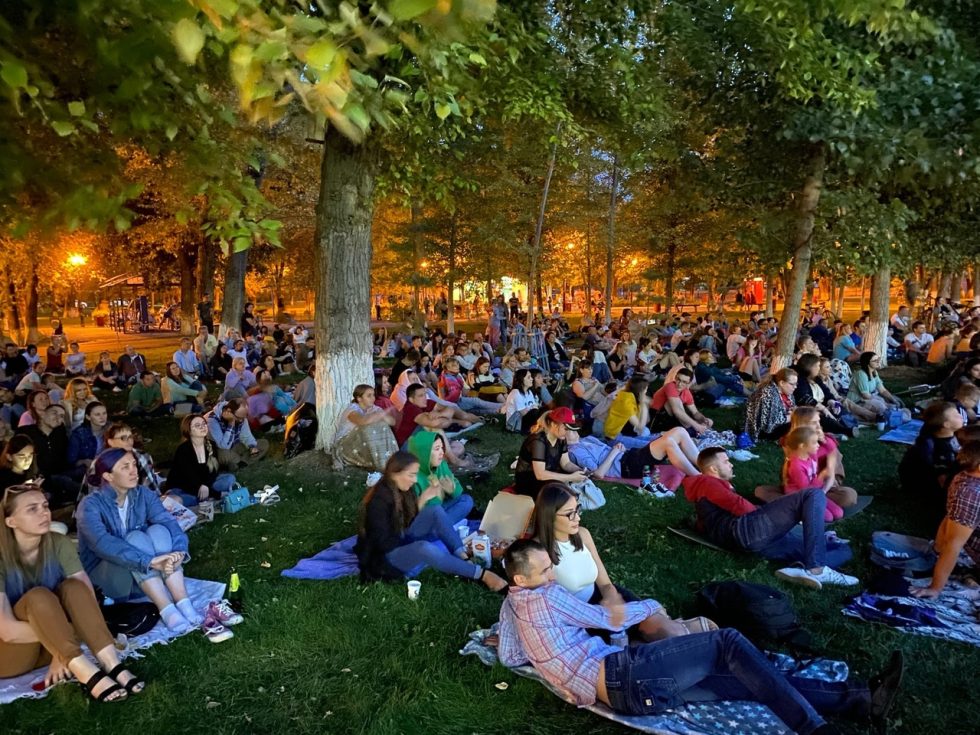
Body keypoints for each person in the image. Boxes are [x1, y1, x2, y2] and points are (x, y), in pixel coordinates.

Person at [498, 538, 901, 732]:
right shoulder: (545, 596)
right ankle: (816, 729)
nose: (552, 576)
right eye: (545, 571)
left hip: (629, 695)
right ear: (521, 579)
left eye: (551, 568)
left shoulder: (513, 605)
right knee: (727, 641)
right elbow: (609, 619)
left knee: (741, 680)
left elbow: (510, 656)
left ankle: (861, 699)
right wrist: (649, 605)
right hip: (625, 676)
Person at [0, 484, 145, 701]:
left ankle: (112, 664)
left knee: (74, 587)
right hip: (11, 653)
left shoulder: (58, 543)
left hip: (49, 643)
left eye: (45, 506)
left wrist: (60, 647)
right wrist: (64, 641)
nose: (44, 513)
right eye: (32, 509)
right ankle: (87, 674)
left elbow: (87, 599)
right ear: (11, 521)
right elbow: (7, 631)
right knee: (38, 596)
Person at [75, 450, 209, 636]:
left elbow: (168, 522)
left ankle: (183, 602)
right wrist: (148, 561)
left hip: (144, 579)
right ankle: (166, 609)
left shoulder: (143, 494)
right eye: (125, 467)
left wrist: (179, 551)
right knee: (134, 538)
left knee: (159, 530)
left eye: (134, 465)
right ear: (108, 476)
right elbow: (102, 544)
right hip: (112, 582)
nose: (134, 471)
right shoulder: (90, 505)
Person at [683, 447, 857, 589]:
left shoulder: (710, 489)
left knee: (842, 550)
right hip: (745, 531)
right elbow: (740, 506)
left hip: (757, 541)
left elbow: (707, 521)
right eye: (726, 461)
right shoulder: (707, 482)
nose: (731, 464)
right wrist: (770, 512)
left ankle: (799, 568)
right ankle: (816, 569)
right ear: (713, 469)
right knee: (813, 494)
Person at [532, 483, 681, 640]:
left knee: (670, 632)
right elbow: (545, 606)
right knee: (638, 644)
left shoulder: (582, 534)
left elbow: (605, 583)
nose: (578, 518)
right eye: (570, 514)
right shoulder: (538, 553)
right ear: (549, 516)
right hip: (581, 618)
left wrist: (612, 598)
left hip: (603, 598)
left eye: (577, 509)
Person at [353, 451, 506, 590]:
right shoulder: (379, 501)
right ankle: (482, 575)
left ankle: (464, 558)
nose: (414, 480)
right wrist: (410, 541)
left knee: (435, 510)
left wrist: (423, 499)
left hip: (399, 539)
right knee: (424, 548)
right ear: (395, 473)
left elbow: (408, 521)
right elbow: (383, 542)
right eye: (411, 475)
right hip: (384, 559)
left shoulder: (402, 489)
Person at [911, 442, 980, 599]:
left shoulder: (962, 477)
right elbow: (953, 543)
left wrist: (938, 548)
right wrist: (935, 588)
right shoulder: (970, 494)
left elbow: (950, 516)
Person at [899, 401, 964, 527]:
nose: (961, 416)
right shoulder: (938, 448)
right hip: (925, 485)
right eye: (956, 415)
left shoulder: (947, 436)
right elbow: (942, 480)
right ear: (946, 425)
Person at [567, 426, 701, 479]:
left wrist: (620, 449)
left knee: (679, 431)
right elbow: (598, 474)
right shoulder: (575, 451)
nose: (575, 431)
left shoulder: (586, 439)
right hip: (626, 467)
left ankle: (704, 465)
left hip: (629, 456)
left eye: (574, 428)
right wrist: (614, 452)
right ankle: (699, 477)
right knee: (668, 442)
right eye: (570, 430)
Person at [513, 408, 588, 498]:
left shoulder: (561, 439)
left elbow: (566, 463)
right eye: (566, 429)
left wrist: (579, 470)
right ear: (553, 424)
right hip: (529, 480)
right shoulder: (538, 441)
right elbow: (540, 474)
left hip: (547, 475)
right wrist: (571, 477)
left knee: (567, 491)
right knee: (562, 494)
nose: (567, 432)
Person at [406, 430, 474, 524]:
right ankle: (441, 528)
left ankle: (442, 527)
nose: (442, 452)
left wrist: (452, 490)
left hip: (441, 511)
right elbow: (412, 514)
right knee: (436, 510)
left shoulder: (441, 464)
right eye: (437, 449)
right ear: (424, 453)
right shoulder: (412, 477)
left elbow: (457, 493)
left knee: (466, 500)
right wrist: (428, 496)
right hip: (424, 519)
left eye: (442, 448)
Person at [781, 426, 844, 522]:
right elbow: (805, 489)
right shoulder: (796, 466)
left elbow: (829, 448)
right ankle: (797, 511)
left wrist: (825, 439)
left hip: (815, 493)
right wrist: (821, 476)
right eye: (814, 443)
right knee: (828, 517)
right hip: (801, 497)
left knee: (838, 513)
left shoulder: (811, 454)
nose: (818, 445)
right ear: (802, 446)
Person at [333, 384, 398, 471]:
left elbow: (392, 422)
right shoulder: (352, 409)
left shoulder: (375, 408)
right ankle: (382, 465)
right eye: (369, 396)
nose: (373, 398)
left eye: (373, 395)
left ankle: (390, 462)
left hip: (361, 445)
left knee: (383, 425)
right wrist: (380, 415)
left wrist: (383, 416)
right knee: (367, 428)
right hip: (345, 446)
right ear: (359, 398)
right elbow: (362, 421)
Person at [165, 415, 222, 504]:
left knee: (229, 479)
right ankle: (201, 498)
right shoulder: (183, 449)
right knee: (179, 499)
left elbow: (214, 472)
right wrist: (217, 494)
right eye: (197, 425)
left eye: (204, 424)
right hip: (183, 487)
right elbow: (188, 478)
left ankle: (203, 497)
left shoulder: (211, 445)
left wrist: (206, 486)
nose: (202, 427)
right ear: (189, 430)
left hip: (204, 484)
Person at [206, 399, 270, 470]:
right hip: (222, 450)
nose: (241, 420)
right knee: (225, 454)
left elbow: (246, 435)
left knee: (264, 443)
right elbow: (224, 446)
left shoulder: (241, 416)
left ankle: (240, 463)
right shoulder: (212, 420)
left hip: (237, 446)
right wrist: (231, 423)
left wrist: (252, 447)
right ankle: (242, 461)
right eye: (239, 418)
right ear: (229, 411)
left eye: (244, 417)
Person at [649, 368, 713, 436]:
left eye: (684, 382)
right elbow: (677, 411)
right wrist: (696, 426)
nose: (679, 384)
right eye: (678, 379)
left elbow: (695, 412)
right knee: (676, 402)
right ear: (675, 377)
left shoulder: (686, 392)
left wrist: (703, 419)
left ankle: (692, 430)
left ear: (689, 383)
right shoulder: (670, 386)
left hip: (671, 420)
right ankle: (690, 430)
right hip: (656, 419)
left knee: (710, 421)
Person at [744, 368, 797, 442]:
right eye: (792, 384)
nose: (795, 387)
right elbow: (769, 423)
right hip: (761, 431)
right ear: (781, 383)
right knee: (799, 422)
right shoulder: (769, 393)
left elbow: (791, 407)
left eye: (796, 384)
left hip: (779, 424)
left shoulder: (787, 393)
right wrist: (791, 416)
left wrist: (793, 411)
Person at [847, 352, 903, 420]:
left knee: (893, 401)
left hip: (867, 399)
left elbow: (882, 390)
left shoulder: (874, 372)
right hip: (857, 402)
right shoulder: (861, 374)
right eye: (875, 360)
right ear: (867, 363)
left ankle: (894, 414)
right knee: (881, 406)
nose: (878, 362)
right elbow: (865, 395)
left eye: (878, 359)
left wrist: (893, 400)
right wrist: (884, 402)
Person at [67, 402, 109, 471]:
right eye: (97, 414)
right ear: (88, 417)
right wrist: (84, 461)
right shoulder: (78, 434)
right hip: (87, 470)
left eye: (104, 413)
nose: (102, 417)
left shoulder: (111, 429)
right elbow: (71, 461)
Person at [501, 368, 544, 434]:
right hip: (516, 423)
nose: (532, 379)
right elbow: (524, 413)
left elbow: (534, 407)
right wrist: (534, 410)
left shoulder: (529, 392)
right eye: (528, 377)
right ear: (521, 380)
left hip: (526, 419)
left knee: (542, 410)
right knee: (535, 412)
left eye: (531, 377)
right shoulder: (516, 393)